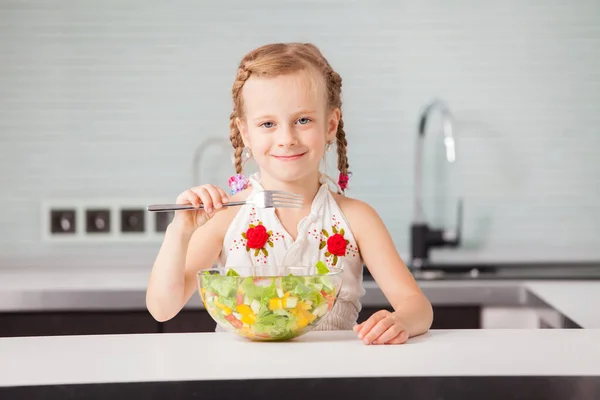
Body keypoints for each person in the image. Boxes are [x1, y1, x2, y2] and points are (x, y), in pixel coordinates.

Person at [146, 42, 433, 345]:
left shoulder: (357, 218)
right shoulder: (225, 215)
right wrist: (180, 231)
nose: (286, 138)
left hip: (331, 376)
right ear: (246, 133)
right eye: (268, 123)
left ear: (330, 125)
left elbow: (418, 307)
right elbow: (162, 308)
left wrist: (400, 320)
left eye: (303, 120)